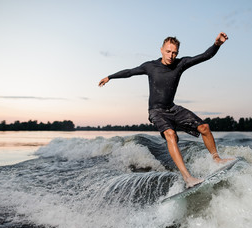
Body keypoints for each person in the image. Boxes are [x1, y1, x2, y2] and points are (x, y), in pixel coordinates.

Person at [99, 32, 231, 188]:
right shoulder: (150, 66)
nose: (171, 55)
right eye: (168, 51)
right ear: (161, 50)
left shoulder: (180, 64)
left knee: (204, 127)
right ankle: (188, 178)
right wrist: (110, 77)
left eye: (174, 52)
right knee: (170, 135)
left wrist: (217, 45)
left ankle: (216, 159)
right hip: (156, 111)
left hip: (172, 108)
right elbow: (129, 72)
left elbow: (204, 56)